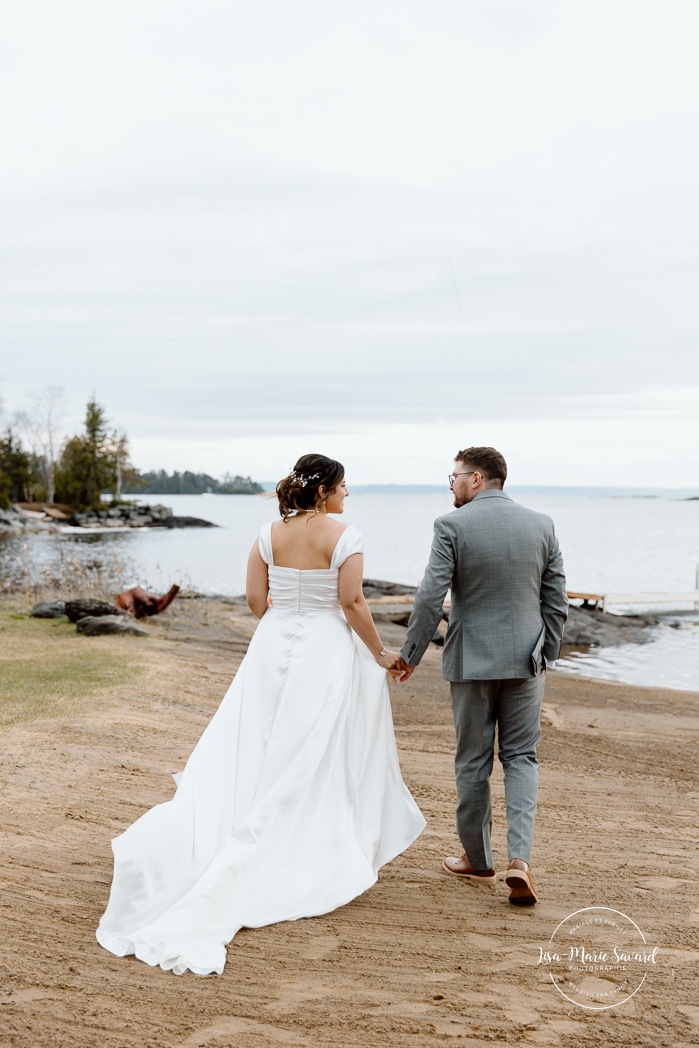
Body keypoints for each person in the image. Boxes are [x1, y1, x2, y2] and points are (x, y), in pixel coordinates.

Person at [96, 454, 425, 975]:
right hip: (325, 648)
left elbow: (256, 599)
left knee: (255, 738)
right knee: (312, 744)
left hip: (272, 645)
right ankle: (309, 836)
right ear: (324, 492)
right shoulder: (345, 535)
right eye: (343, 487)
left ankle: (238, 815)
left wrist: (286, 624)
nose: (347, 496)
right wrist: (380, 653)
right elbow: (353, 602)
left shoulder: (268, 534)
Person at [396, 447, 567, 905]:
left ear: (474, 479)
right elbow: (556, 601)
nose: (450, 485)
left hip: (471, 662)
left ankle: (478, 860)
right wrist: (544, 654)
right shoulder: (542, 525)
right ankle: (520, 861)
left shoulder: (451, 526)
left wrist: (410, 654)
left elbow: (430, 598)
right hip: (527, 662)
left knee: (473, 760)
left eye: (452, 477)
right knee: (521, 758)